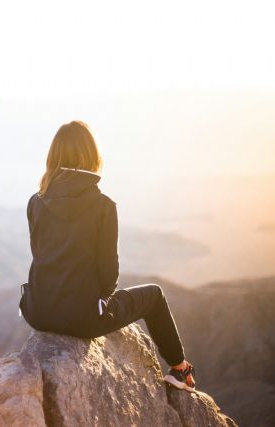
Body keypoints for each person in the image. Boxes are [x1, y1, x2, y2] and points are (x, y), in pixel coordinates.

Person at [18, 120, 196, 392]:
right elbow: (109, 275)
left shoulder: (35, 200)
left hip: (37, 311)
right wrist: (97, 301)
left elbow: (40, 254)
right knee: (155, 295)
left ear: (53, 156)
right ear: (92, 156)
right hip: (82, 319)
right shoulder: (103, 206)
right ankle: (180, 369)